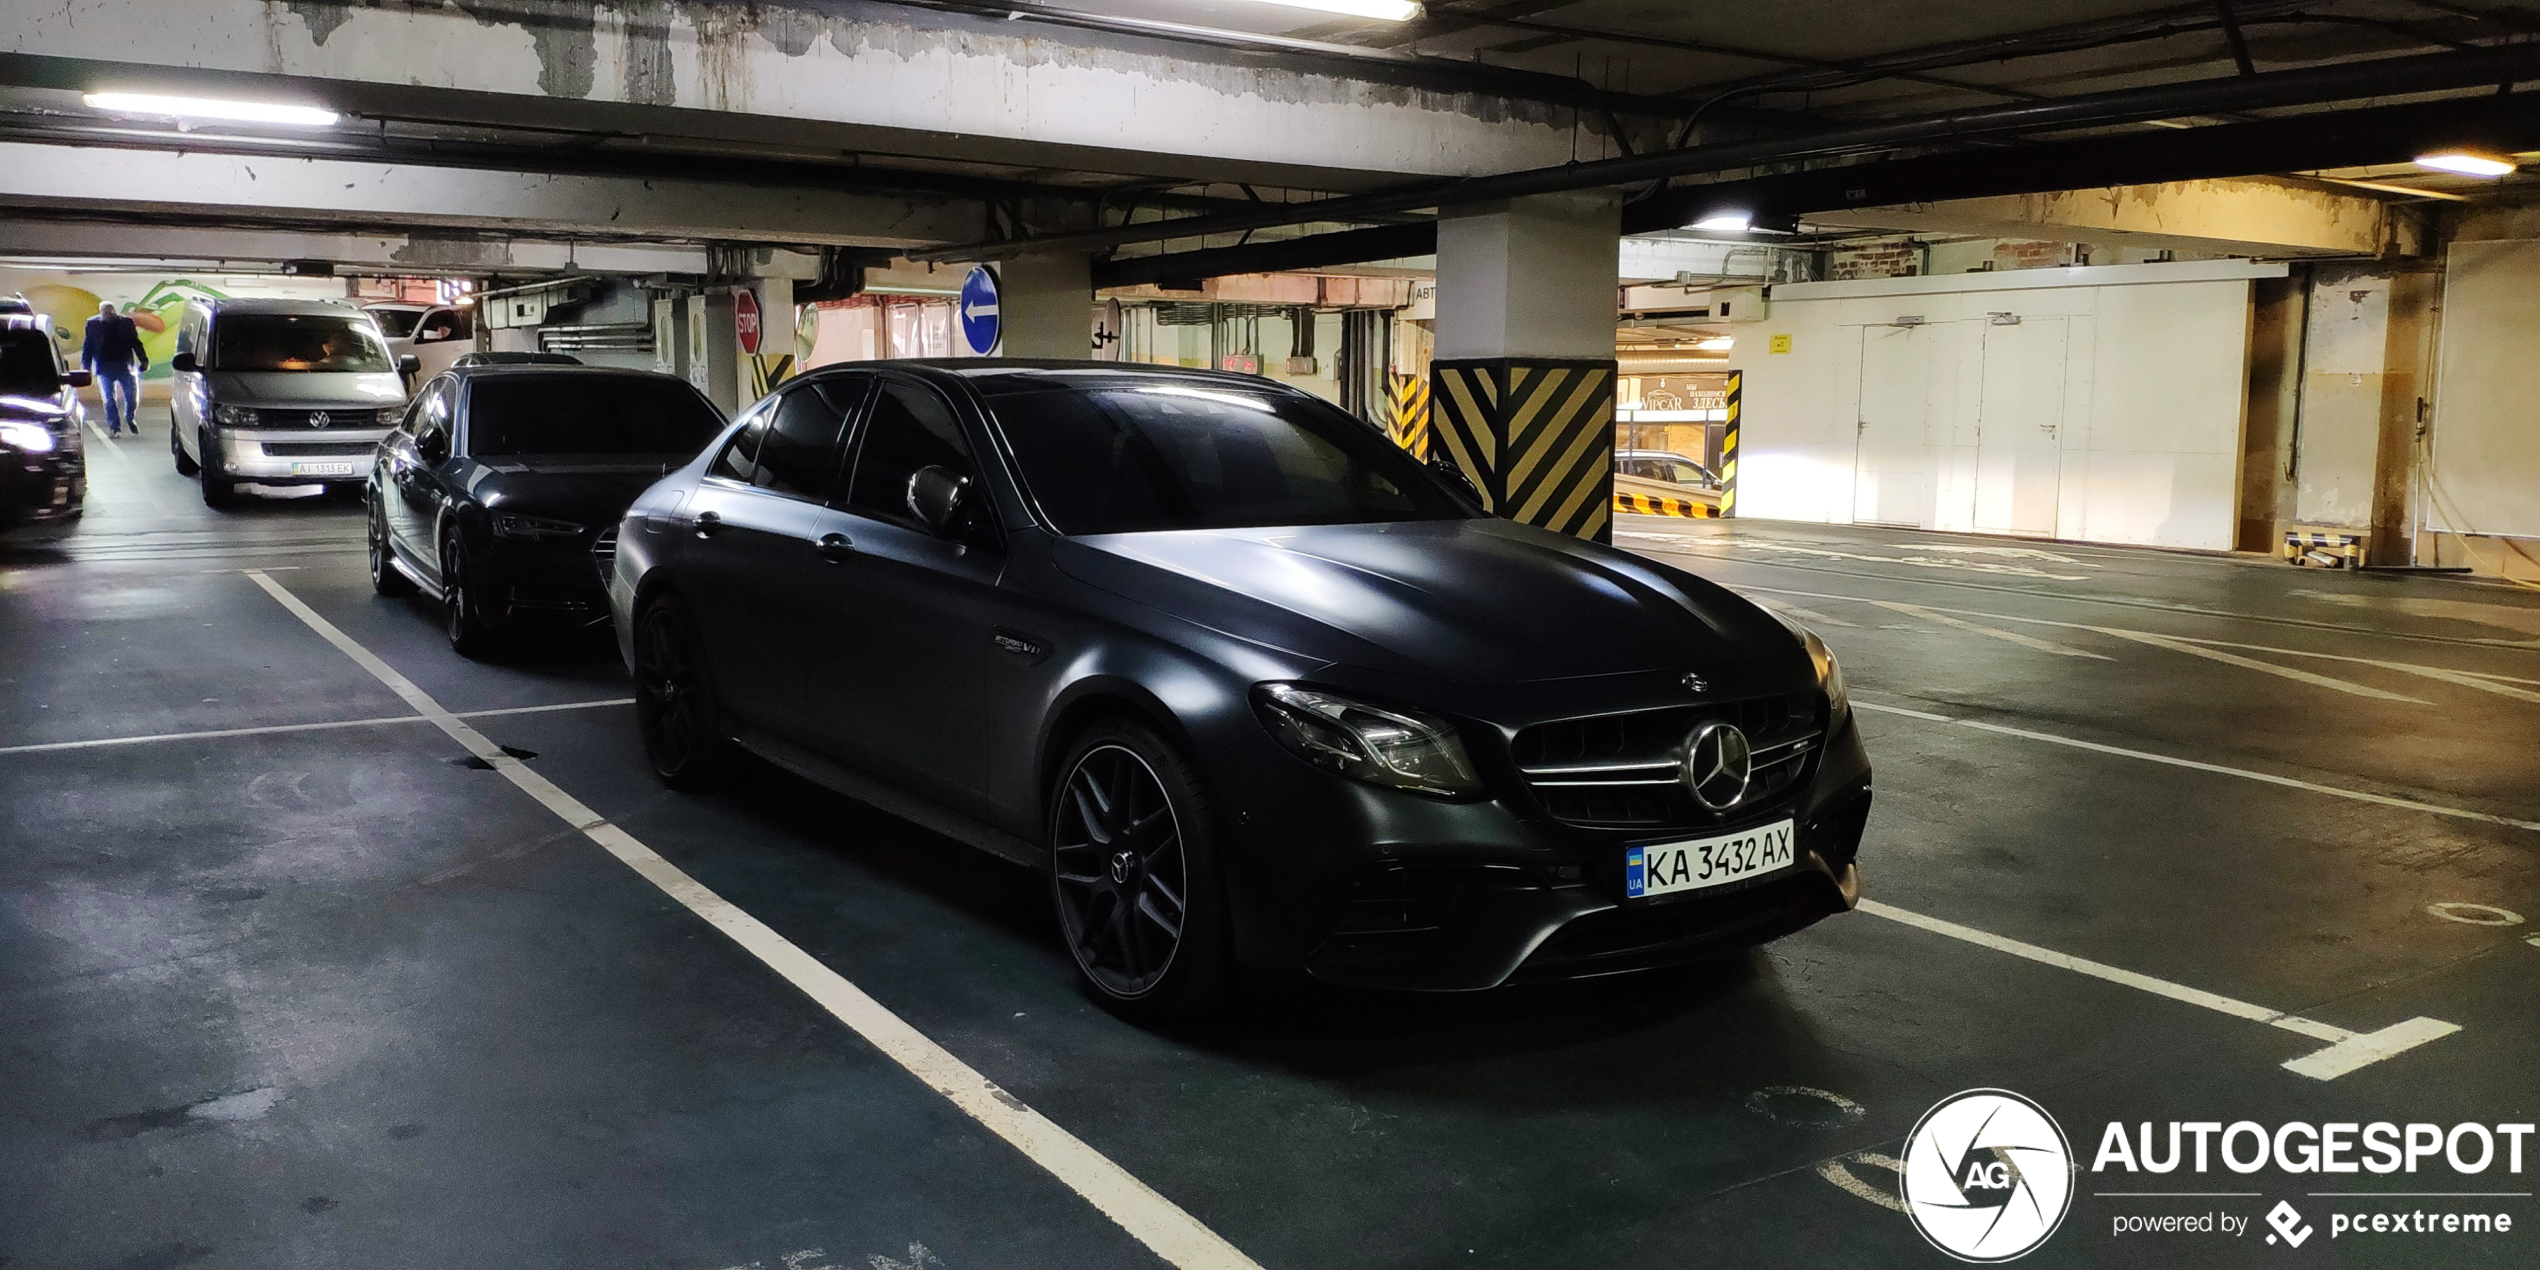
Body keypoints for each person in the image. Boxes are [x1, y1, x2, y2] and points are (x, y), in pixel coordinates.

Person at [81, 301, 148, 438]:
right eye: (105, 313)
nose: (108, 315)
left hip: (125, 366)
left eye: (110, 312)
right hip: (104, 367)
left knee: (132, 398)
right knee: (109, 400)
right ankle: (114, 428)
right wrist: (85, 368)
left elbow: (136, 343)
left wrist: (143, 360)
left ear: (114, 312)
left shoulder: (126, 323)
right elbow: (87, 347)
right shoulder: (92, 324)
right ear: (101, 312)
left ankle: (130, 417)